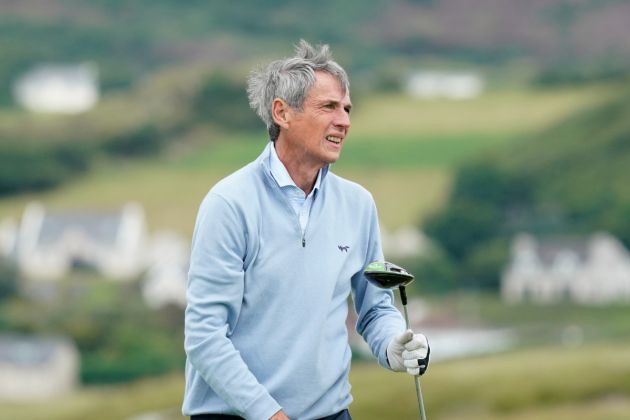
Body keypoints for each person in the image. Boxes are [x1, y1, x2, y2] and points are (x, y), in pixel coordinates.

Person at [183, 40, 429, 420]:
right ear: (282, 112)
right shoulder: (229, 204)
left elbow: (375, 309)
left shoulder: (358, 204)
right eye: (328, 107)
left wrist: (394, 345)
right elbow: (205, 337)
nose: (344, 121)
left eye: (347, 109)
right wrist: (269, 414)